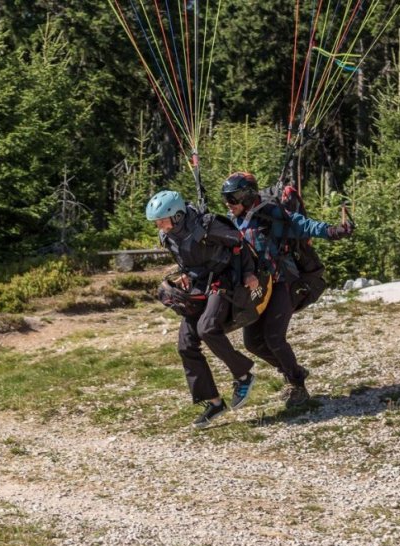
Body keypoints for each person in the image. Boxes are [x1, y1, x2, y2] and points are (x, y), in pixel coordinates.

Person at [221, 172, 353, 408]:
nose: (228, 205)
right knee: (252, 343)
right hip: (258, 288)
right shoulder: (235, 219)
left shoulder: (273, 214)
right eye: (226, 199)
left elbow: (304, 225)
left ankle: (297, 385)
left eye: (232, 199)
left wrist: (334, 231)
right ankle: (293, 370)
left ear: (247, 196)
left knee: (274, 337)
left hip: (283, 282)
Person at [146, 190, 259, 429]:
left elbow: (240, 242)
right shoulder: (168, 236)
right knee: (186, 344)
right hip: (199, 285)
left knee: (207, 328)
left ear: (176, 216)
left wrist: (249, 273)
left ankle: (243, 375)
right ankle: (214, 402)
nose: (159, 225)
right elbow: (186, 261)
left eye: (162, 220)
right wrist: (185, 276)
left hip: (223, 279)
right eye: (156, 222)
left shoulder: (207, 226)